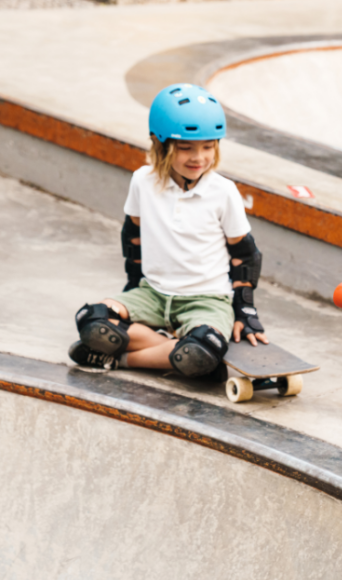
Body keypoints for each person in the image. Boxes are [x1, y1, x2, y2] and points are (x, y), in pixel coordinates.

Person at [69, 83, 267, 380]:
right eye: (185, 148)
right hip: (153, 294)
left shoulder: (223, 191)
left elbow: (244, 255)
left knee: (204, 346)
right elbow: (132, 238)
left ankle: (118, 360)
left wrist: (245, 312)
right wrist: (132, 287)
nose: (198, 157)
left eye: (208, 146)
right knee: (92, 321)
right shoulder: (142, 181)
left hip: (207, 300)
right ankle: (178, 355)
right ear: (159, 144)